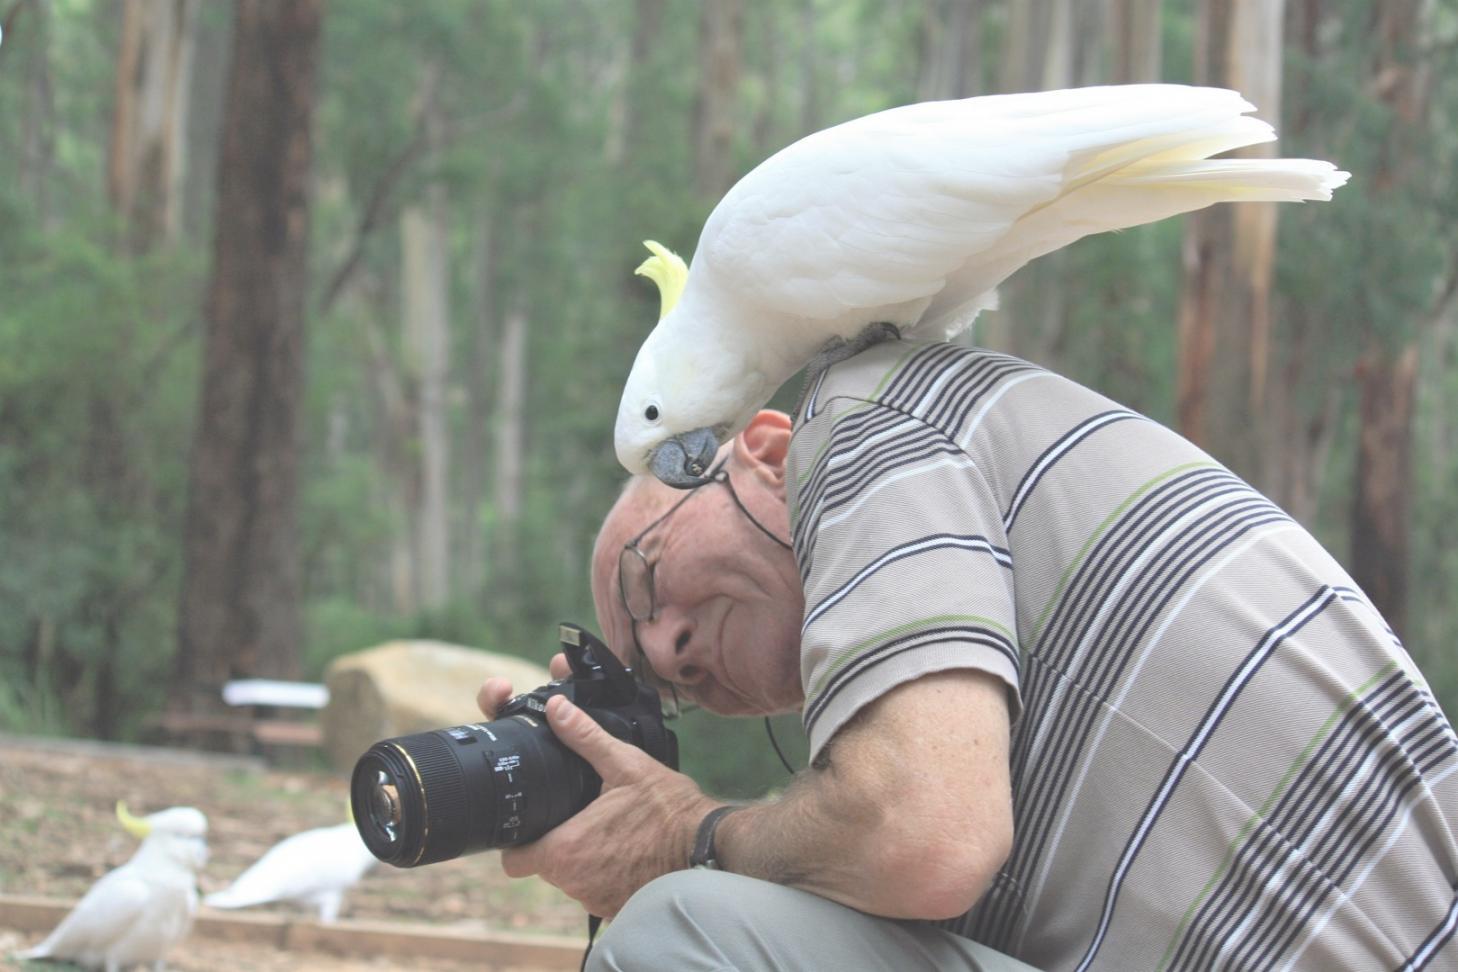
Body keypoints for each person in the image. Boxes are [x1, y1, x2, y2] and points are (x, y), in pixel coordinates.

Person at [477, 338, 1458, 971]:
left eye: (647, 580)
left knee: (678, 938)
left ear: (766, 455)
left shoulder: (854, 418)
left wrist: (690, 840)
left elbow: (927, 840)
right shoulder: (934, 695)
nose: (666, 647)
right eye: (651, 677)